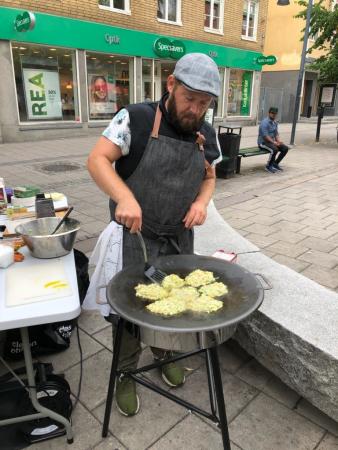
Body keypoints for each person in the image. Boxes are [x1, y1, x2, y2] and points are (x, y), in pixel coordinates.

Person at [86, 53, 222, 417]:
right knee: (131, 309)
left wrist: (202, 203)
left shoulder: (204, 132)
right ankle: (127, 371)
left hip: (178, 237)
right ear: (171, 84)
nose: (195, 109)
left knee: (173, 302)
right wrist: (124, 196)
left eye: (204, 103)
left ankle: (164, 353)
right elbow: (97, 159)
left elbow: (209, 176)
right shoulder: (136, 118)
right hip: (135, 235)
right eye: (190, 98)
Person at [258, 107, 289, 173]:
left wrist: (278, 141)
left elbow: (276, 133)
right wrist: (274, 142)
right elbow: (265, 136)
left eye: (275, 113)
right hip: (263, 142)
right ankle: (268, 166)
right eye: (272, 113)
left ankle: (275, 163)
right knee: (275, 149)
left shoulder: (274, 122)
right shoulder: (264, 123)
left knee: (285, 148)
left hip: (271, 142)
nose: (273, 115)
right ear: (269, 113)